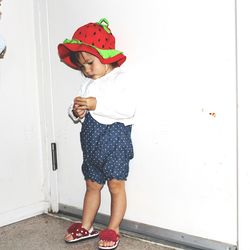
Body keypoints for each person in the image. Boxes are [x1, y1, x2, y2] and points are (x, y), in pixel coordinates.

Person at [57, 18, 135, 250]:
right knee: (92, 185)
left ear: (106, 55)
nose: (87, 70)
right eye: (82, 67)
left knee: (115, 186)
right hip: (91, 146)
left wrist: (96, 104)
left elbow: (127, 109)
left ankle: (113, 228)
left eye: (90, 63)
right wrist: (77, 111)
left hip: (115, 144)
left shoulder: (120, 79)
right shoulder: (87, 84)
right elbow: (78, 114)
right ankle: (87, 225)